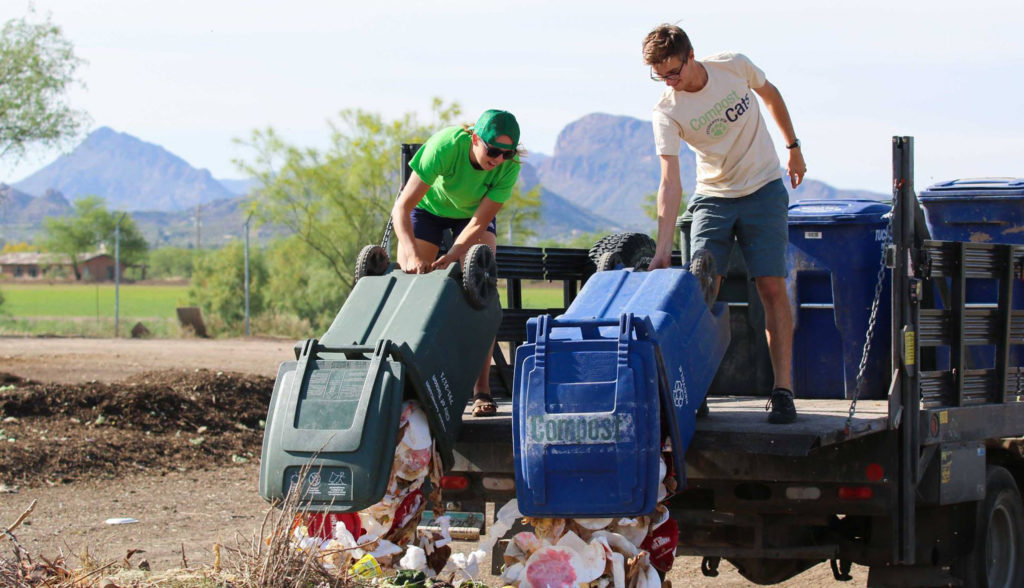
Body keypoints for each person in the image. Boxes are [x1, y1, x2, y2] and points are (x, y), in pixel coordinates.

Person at [642, 24, 806, 424]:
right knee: (698, 289)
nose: (670, 81)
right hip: (713, 196)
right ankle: (695, 388)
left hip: (763, 188)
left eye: (674, 72)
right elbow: (669, 182)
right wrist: (662, 250)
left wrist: (793, 148)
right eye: (661, 75)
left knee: (770, 286)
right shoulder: (667, 110)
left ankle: (783, 390)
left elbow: (771, 95)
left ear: (691, 55)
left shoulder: (734, 66)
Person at [391, 109, 522, 417]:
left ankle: (482, 389)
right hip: (427, 210)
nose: (499, 159)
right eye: (493, 150)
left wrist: (453, 255)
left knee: (481, 286)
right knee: (411, 289)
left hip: (471, 216)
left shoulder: (507, 167)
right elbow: (403, 207)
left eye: (508, 152)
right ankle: (413, 385)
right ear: (475, 138)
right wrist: (410, 251)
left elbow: (480, 221)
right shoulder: (446, 146)